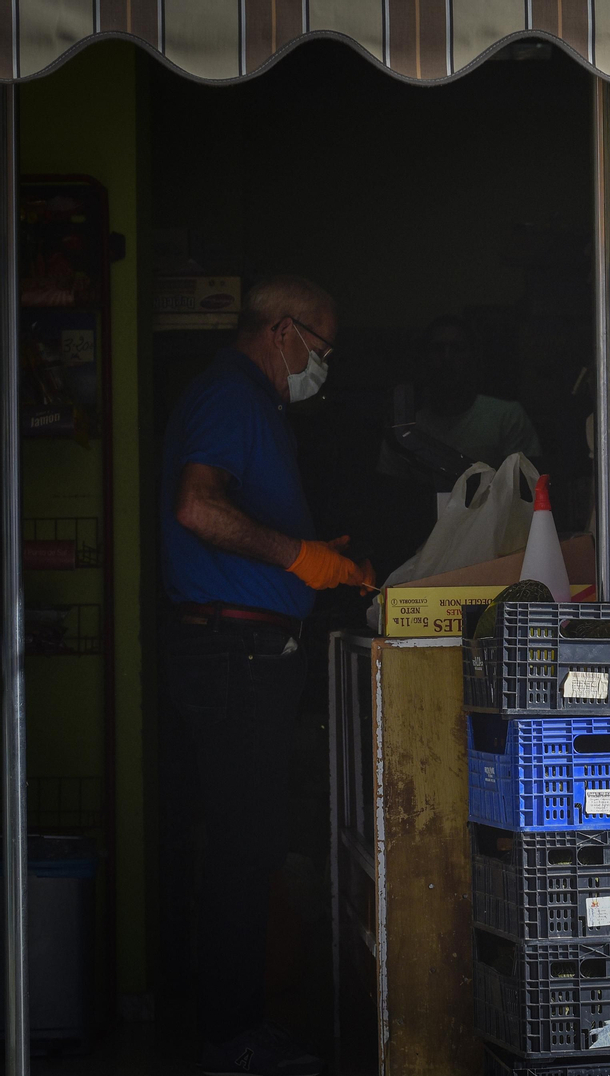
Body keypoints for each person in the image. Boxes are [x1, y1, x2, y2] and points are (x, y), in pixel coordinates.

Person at [160, 275, 373, 1076]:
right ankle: (230, 1039)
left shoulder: (257, 406)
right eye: (320, 348)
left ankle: (235, 1027)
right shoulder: (230, 394)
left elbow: (248, 520)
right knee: (243, 852)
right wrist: (299, 557)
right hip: (232, 657)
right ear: (282, 331)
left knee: (247, 848)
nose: (323, 364)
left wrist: (322, 559)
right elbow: (198, 508)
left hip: (248, 650)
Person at [413, 314, 542, 467]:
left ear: (473, 357)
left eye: (457, 348)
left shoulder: (507, 417)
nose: (446, 357)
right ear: (425, 357)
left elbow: (527, 481)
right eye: (437, 349)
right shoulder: (409, 427)